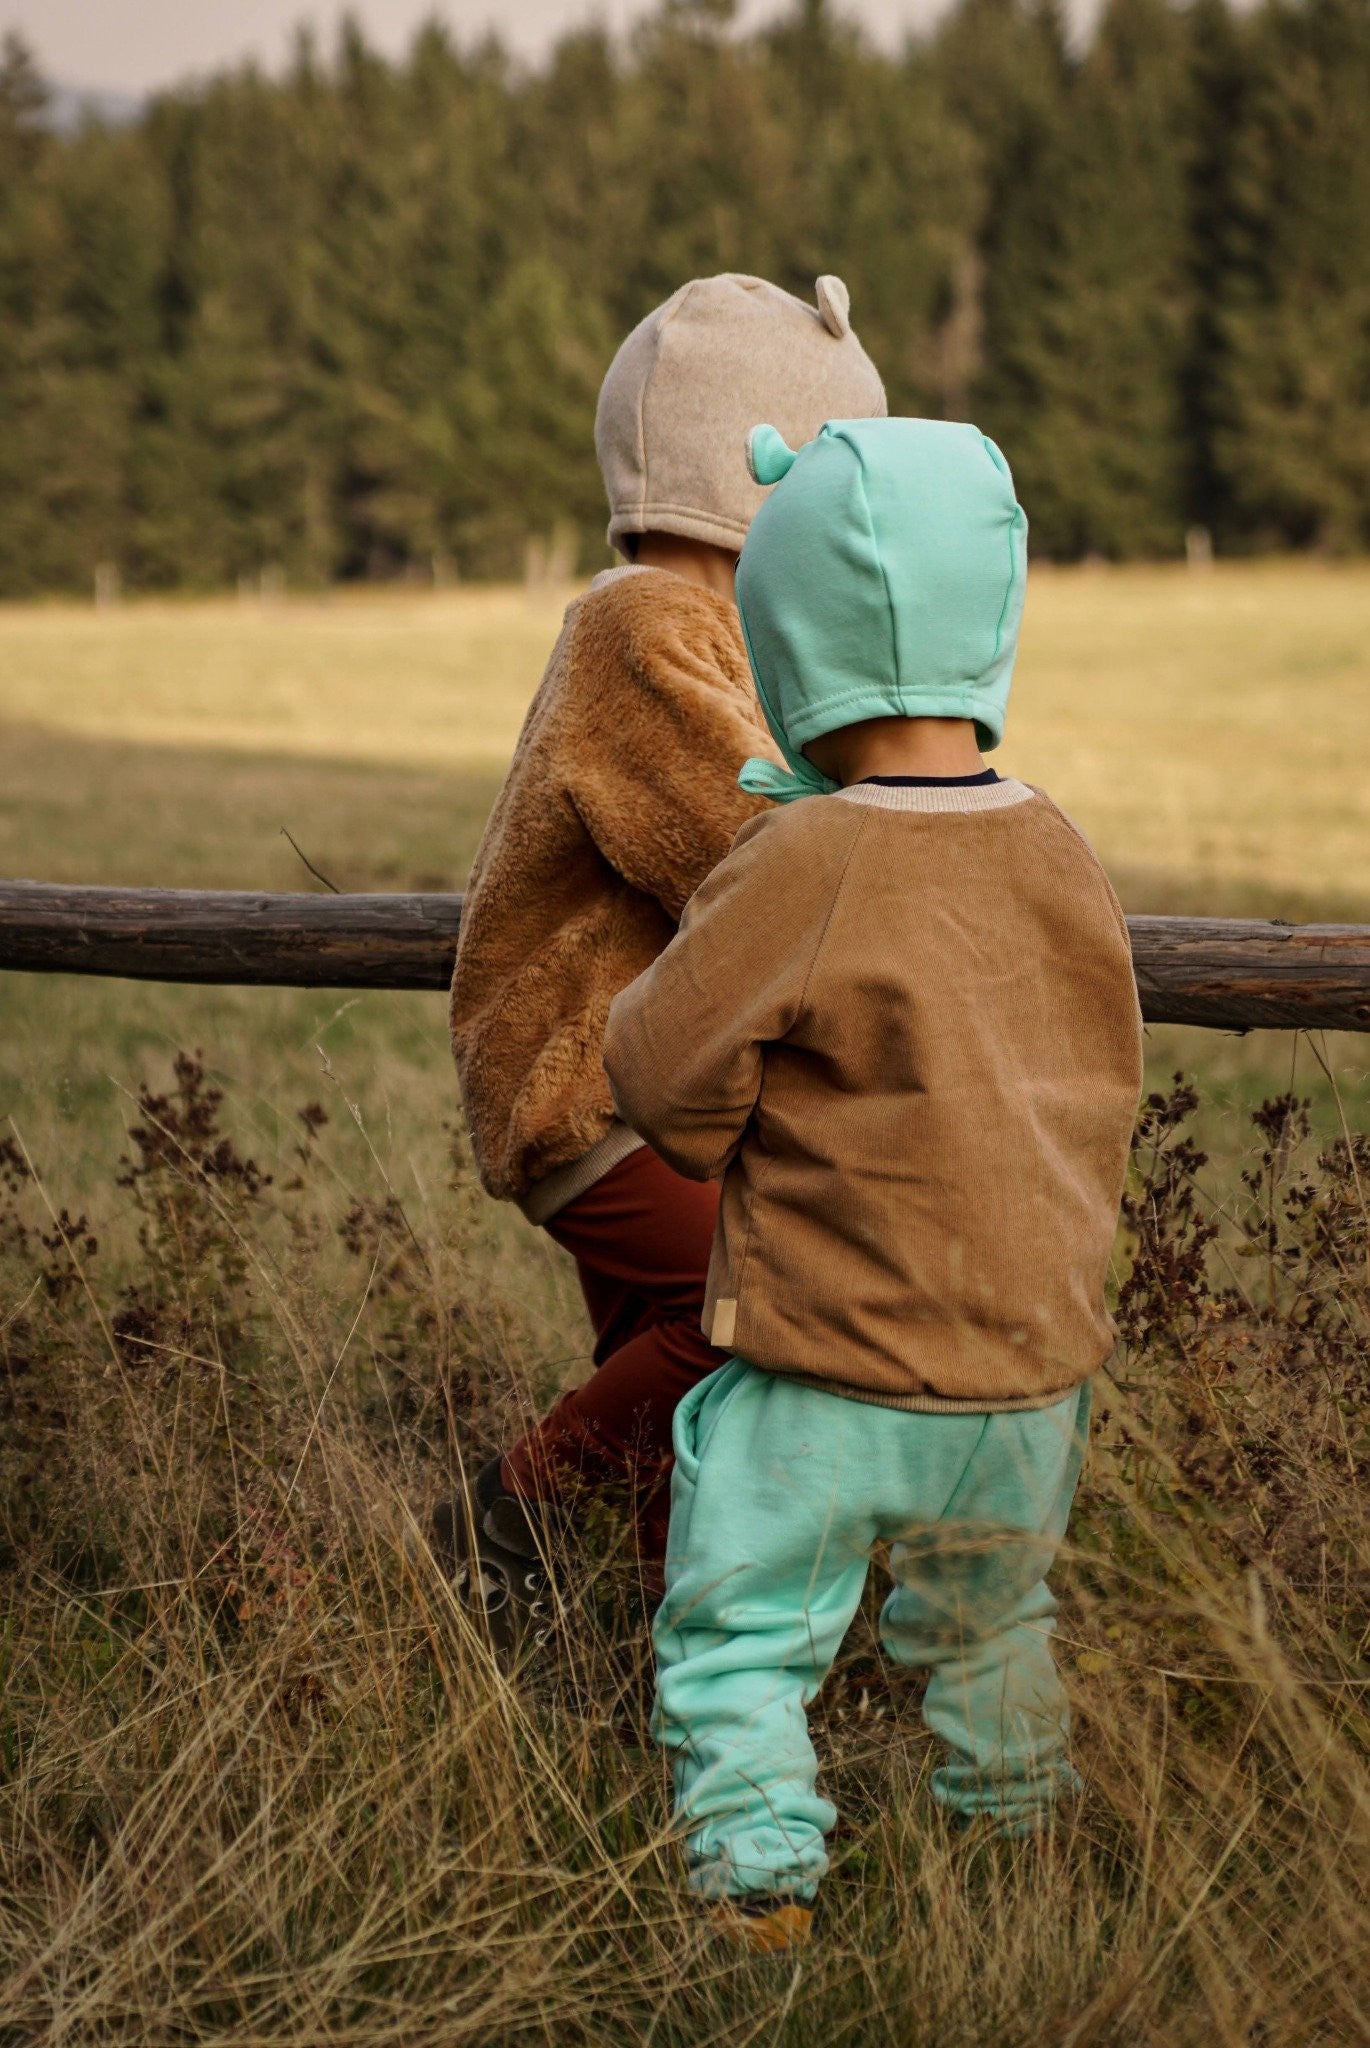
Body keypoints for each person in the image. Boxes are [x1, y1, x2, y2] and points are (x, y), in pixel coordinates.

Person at [603, 416, 1144, 1950]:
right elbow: (1099, 1071)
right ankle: (1021, 1872)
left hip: (829, 1374)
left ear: (789, 645)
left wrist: (721, 1128)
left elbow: (658, 1072)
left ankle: (759, 1891)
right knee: (993, 1638)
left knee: (742, 1641)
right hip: (1031, 1380)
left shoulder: (805, 858)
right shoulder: (1061, 850)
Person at [439, 275, 887, 1645]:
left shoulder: (695, 629)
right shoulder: (641, 627)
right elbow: (739, 843)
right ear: (763, 486)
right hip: (586, 1084)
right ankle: (511, 1507)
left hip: (648, 1077)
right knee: (765, 1301)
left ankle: (638, 1621)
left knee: (674, 1368)